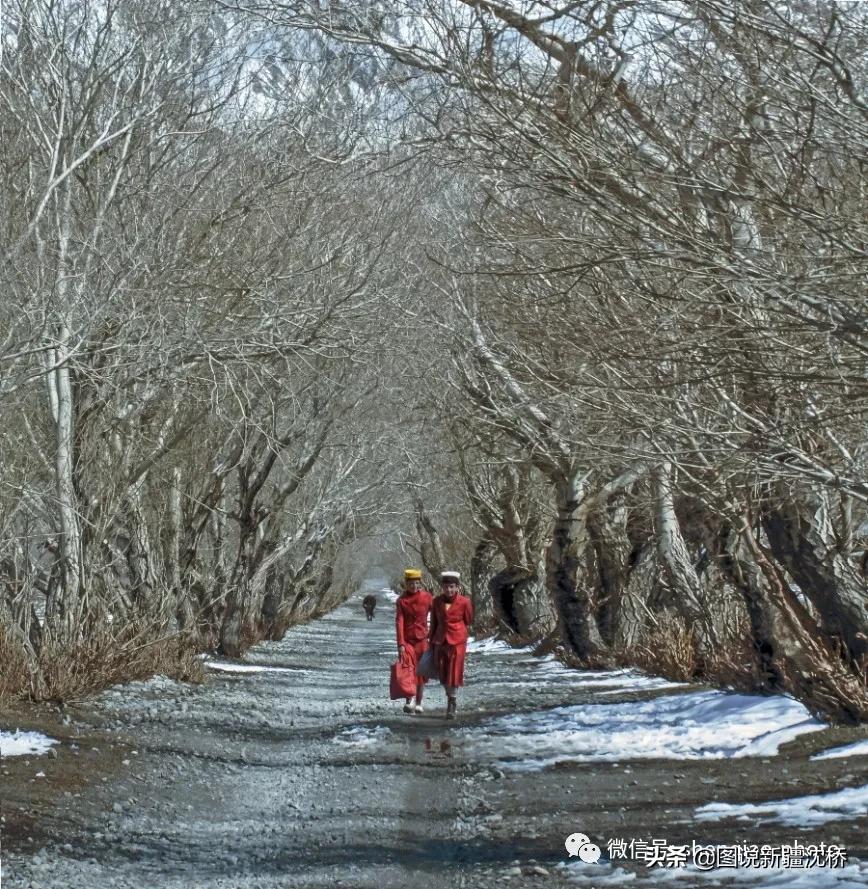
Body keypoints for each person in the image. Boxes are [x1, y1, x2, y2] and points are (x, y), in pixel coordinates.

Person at [429, 570, 473, 719]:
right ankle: (450, 694)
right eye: (446, 586)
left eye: (452, 586)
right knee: (442, 671)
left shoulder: (465, 602)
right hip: (440, 640)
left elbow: (468, 619)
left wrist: (458, 630)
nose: (449, 590)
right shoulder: (436, 601)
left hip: (457, 641)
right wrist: (431, 642)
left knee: (454, 672)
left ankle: (452, 702)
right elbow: (434, 623)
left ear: (457, 587)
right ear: (442, 587)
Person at [395, 568, 433, 714]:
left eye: (416, 583)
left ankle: (418, 702)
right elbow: (399, 622)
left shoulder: (427, 597)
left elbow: (436, 614)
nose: (414, 586)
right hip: (408, 641)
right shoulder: (402, 600)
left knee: (421, 672)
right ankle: (409, 700)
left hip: (423, 640)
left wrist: (433, 632)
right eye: (411, 583)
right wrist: (401, 643)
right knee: (408, 670)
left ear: (420, 583)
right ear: (406, 584)